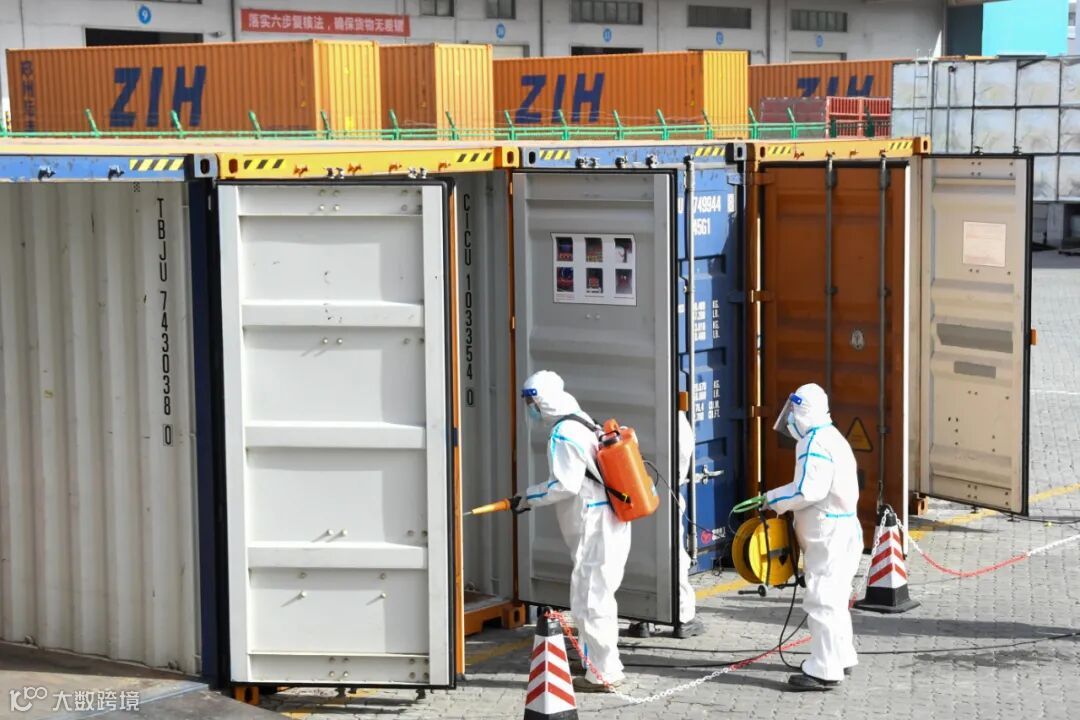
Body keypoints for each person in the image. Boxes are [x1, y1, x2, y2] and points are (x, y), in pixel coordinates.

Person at [513, 370, 632, 693]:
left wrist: (527, 497)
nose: (531, 410)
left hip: (595, 524)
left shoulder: (563, 433)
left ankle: (603, 674)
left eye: (532, 403)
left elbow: (565, 484)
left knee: (592, 599)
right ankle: (598, 662)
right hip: (608, 520)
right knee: (594, 596)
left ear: (543, 400)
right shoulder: (583, 421)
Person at [764, 383, 862, 691]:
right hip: (844, 531)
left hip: (827, 536)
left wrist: (771, 499)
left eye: (793, 412)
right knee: (836, 598)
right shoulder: (832, 436)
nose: (790, 419)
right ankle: (842, 656)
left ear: (803, 411)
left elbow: (807, 490)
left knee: (822, 600)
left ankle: (824, 668)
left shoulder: (813, 442)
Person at [628, 411, 705, 639]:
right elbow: (682, 462)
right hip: (666, 494)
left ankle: (640, 618)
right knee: (673, 555)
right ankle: (683, 618)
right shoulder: (676, 420)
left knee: (639, 551)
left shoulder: (633, 411)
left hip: (634, 496)